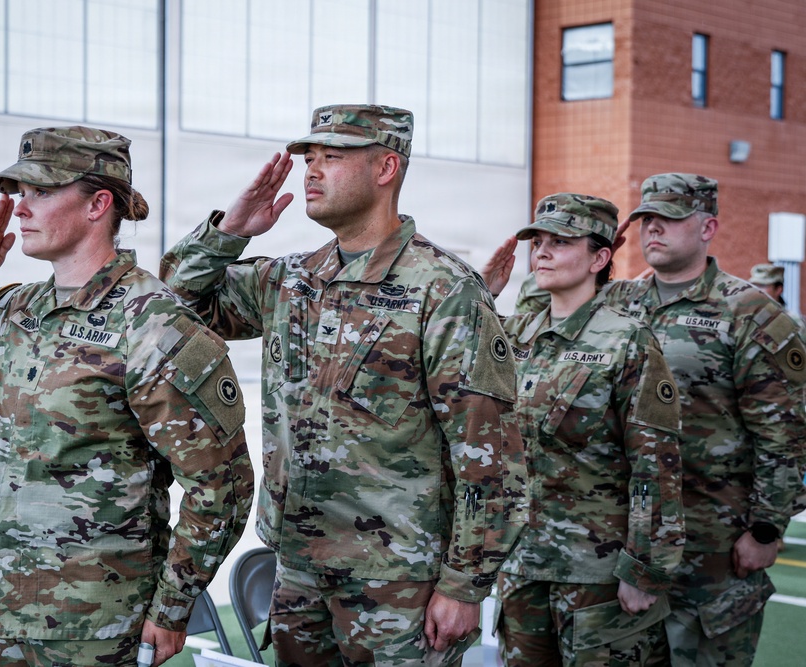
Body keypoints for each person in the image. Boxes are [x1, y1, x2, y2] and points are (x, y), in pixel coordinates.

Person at [160, 104, 527, 666]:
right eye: (309, 157)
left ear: (386, 168)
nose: (311, 170)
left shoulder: (444, 292)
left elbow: (489, 456)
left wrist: (463, 585)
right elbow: (174, 306)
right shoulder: (291, 279)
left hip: (399, 582)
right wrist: (228, 232)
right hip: (298, 569)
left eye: (332, 157)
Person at [0, 126, 254, 667]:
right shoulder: (20, 310)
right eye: (21, 193)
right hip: (3, 615)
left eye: (41, 192)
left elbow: (221, 486)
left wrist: (173, 606)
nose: (20, 209)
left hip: (97, 630)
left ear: (97, 204)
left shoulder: (154, 325)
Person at [491, 174, 806, 666]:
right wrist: (591, 245)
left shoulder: (749, 313)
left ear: (707, 227)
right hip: (616, 531)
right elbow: (539, 322)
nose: (652, 230)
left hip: (715, 538)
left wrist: (766, 528)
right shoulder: (618, 300)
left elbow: (784, 432)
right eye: (644, 221)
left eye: (669, 219)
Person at [485, 194, 685, 665]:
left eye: (562, 242)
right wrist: (482, 292)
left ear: (600, 257)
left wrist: (644, 569)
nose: (543, 253)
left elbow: (655, 463)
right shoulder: (517, 333)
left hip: (596, 574)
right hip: (521, 565)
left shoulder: (627, 340)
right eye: (540, 242)